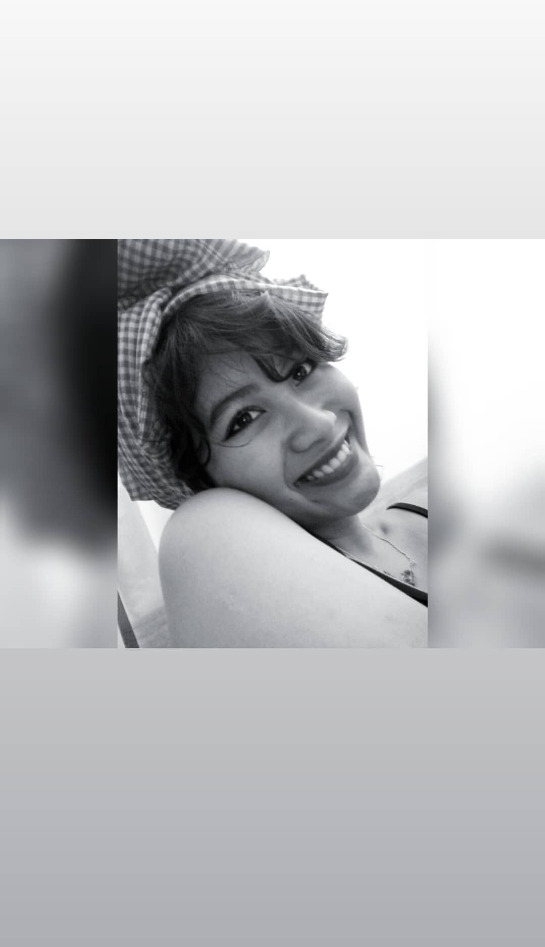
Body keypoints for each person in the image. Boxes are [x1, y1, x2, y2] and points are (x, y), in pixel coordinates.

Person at [118, 239, 427, 647]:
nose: (319, 424)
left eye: (300, 370)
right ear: (196, 481)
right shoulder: (204, 539)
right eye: (243, 419)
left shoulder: (425, 510)